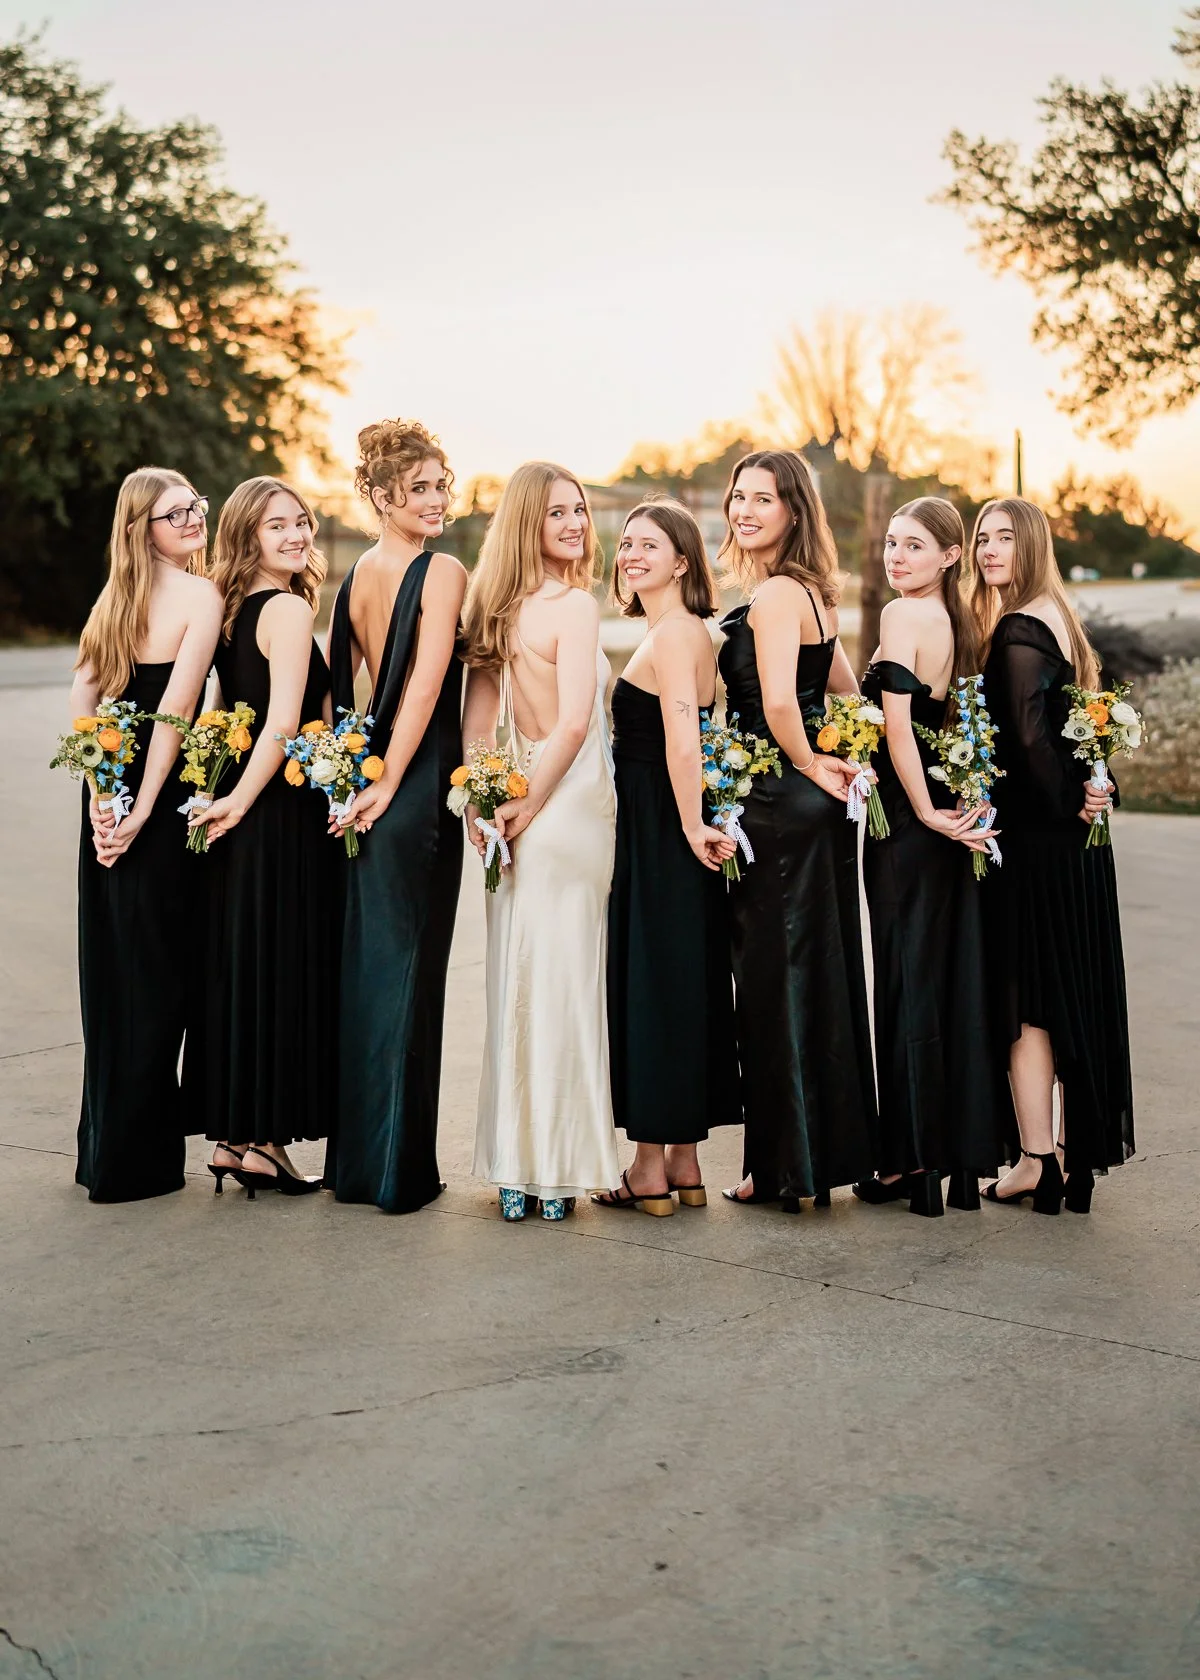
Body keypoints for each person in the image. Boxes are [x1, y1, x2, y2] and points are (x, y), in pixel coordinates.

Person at [716, 450, 877, 1211]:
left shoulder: (779, 593)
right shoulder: (811, 592)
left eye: (762, 500)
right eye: (737, 498)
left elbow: (780, 704)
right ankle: (807, 1157)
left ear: (793, 511)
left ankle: (781, 1167)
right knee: (817, 976)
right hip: (804, 804)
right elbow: (843, 687)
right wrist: (840, 756)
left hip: (779, 802)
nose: (744, 512)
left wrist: (815, 765)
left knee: (773, 989)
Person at [461, 462, 621, 1221]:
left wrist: (486, 798)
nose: (575, 525)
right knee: (561, 985)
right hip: (568, 805)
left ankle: (516, 1172)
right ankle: (553, 1172)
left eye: (580, 512)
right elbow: (576, 724)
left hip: (524, 803)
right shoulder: (572, 605)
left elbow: (479, 725)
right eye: (558, 513)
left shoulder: (493, 607)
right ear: (528, 521)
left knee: (519, 981)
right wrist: (509, 805)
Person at [853, 498, 1015, 1217]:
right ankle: (948, 1163)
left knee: (905, 983)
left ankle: (909, 1161)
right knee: (945, 983)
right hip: (946, 817)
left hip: (913, 825)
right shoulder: (960, 623)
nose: (897, 558)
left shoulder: (902, 616)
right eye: (891, 543)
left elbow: (897, 733)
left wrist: (920, 812)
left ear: (950, 555)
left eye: (915, 546)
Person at [971, 497, 1133, 1214]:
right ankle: (1071, 1154)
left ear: (1032, 545)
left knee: (1027, 1002)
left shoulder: (1017, 628)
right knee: (1071, 992)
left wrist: (1067, 798)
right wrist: (1097, 788)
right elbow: (1081, 731)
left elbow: (1034, 742)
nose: (988, 550)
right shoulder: (1063, 621)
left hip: (1036, 843)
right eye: (981, 538)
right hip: (1077, 848)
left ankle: (1038, 1161)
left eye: (1005, 538)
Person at [325, 420, 467, 1214]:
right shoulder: (440, 570)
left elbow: (346, 697)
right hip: (412, 789)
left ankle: (360, 1167)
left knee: (376, 972)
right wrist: (389, 782)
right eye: (420, 488)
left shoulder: (352, 578)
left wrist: (354, 773)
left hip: (375, 782)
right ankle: (397, 1174)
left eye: (442, 485)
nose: (438, 500)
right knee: (412, 973)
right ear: (380, 497)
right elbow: (423, 686)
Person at [71, 467, 222, 1201]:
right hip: (154, 801)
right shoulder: (200, 595)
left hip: (111, 789)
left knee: (115, 972)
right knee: (156, 976)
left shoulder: (114, 597)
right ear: (144, 529)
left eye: (195, 506)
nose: (194, 518)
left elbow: (87, 703)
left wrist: (101, 792)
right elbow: (176, 713)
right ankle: (139, 1163)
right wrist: (133, 811)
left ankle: (105, 1152)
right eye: (175, 513)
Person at [187, 476, 335, 1197]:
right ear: (247, 535)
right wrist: (243, 801)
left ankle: (234, 1138)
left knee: (243, 969)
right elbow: (282, 722)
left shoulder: (229, 612)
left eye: (302, 522)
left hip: (237, 809)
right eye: (278, 526)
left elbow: (224, 710)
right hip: (276, 814)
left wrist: (215, 792)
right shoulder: (287, 609)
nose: (296, 535)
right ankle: (266, 1143)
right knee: (279, 971)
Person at [596, 499, 738, 1216]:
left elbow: (686, 739)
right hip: (668, 819)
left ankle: (650, 1166)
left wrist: (686, 827)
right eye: (626, 544)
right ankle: (682, 1163)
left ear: (684, 560)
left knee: (655, 984)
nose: (631, 554)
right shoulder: (676, 630)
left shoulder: (678, 633)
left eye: (650, 545)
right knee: (682, 982)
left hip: (664, 826)